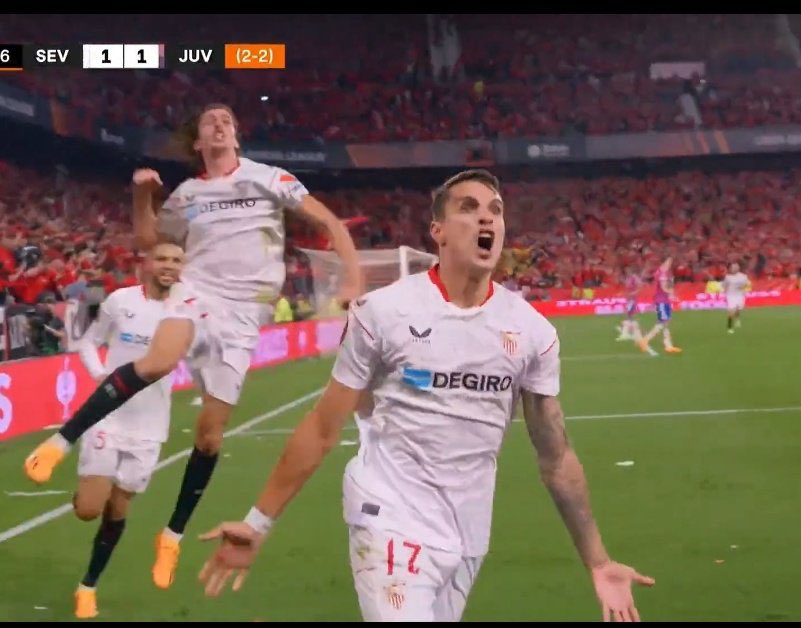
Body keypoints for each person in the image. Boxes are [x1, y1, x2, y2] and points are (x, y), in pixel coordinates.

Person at [197, 170, 654, 622]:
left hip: (467, 533)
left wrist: (598, 561)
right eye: (468, 208)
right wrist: (258, 522)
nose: (486, 219)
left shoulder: (532, 331)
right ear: (437, 231)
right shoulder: (383, 313)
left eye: (495, 210)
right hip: (388, 516)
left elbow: (556, 457)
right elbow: (322, 427)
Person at [23, 103, 363, 590]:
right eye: (210, 122)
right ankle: (59, 442)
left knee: (209, 437)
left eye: (227, 120)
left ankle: (172, 535)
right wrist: (143, 196)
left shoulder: (268, 178)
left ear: (237, 137)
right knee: (157, 360)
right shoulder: (188, 194)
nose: (221, 124)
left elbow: (330, 224)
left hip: (246, 317)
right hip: (197, 294)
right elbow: (148, 240)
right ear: (200, 143)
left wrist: (352, 278)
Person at [72, 240, 183, 618]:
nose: (169, 265)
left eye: (176, 260)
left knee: (118, 510)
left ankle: (88, 586)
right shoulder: (121, 301)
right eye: (163, 258)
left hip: (151, 428)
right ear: (148, 263)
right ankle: (87, 486)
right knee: (89, 510)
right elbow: (88, 342)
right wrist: (101, 376)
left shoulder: (188, 312)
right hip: (110, 418)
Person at [639, 258, 682, 355]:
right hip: (661, 301)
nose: (669, 265)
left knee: (666, 322)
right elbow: (664, 288)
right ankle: (645, 340)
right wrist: (672, 293)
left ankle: (668, 345)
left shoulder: (661, 273)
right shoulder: (662, 274)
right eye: (668, 262)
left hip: (664, 301)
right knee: (662, 322)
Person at [721, 262, 750, 334]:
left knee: (737, 310)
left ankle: (737, 319)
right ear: (730, 269)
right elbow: (724, 285)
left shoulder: (743, 276)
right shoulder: (728, 277)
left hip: (740, 295)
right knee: (731, 311)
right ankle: (729, 327)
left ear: (738, 268)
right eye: (733, 267)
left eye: (736, 267)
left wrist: (742, 287)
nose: (734, 268)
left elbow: (746, 284)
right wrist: (724, 291)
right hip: (731, 296)